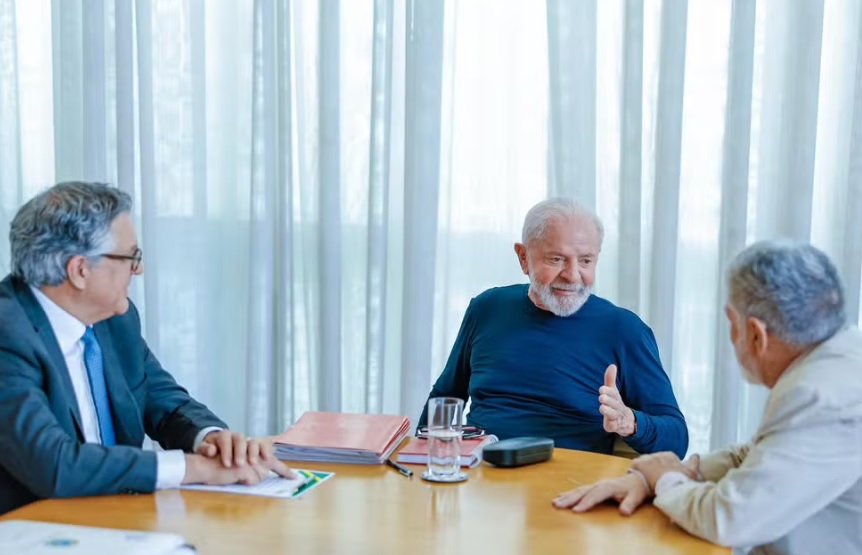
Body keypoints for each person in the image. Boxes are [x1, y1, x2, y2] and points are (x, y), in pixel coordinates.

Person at [0, 182, 294, 515]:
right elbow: (53, 464)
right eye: (131, 257)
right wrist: (193, 468)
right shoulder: (8, 333)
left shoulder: (115, 320)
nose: (138, 269)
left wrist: (210, 440)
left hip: (123, 522)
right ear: (80, 270)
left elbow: (165, 403)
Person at [553, 241, 862, 554]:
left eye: (732, 322)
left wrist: (665, 481)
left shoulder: (819, 394)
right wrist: (674, 474)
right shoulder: (841, 359)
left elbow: (728, 519)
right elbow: (762, 452)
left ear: (756, 334)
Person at [418, 198, 688, 457]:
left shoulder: (625, 330)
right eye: (556, 259)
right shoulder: (486, 308)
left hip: (568, 487)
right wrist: (420, 463)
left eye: (585, 261)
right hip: (481, 476)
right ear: (523, 258)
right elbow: (444, 398)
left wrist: (630, 422)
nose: (572, 276)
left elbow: (677, 438)